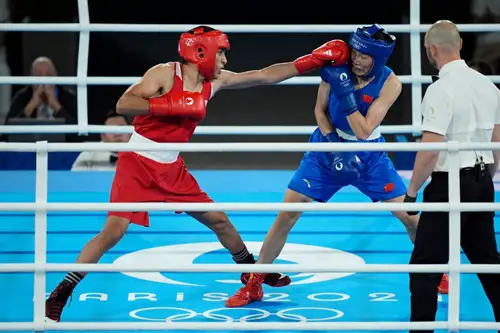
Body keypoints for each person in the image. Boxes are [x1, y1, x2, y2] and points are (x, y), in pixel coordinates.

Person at [44, 25, 350, 322]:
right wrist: (170, 104)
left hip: (172, 167)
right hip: (137, 162)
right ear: (202, 52)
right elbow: (125, 103)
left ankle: (249, 270)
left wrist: (311, 61)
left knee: (219, 220)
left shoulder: (214, 81)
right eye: (221, 55)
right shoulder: (164, 73)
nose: (225, 61)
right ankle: (61, 292)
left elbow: (263, 75)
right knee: (113, 232)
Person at [225, 23, 420, 308]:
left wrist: (345, 93)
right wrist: (333, 147)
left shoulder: (391, 83)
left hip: (369, 155)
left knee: (410, 217)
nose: (356, 60)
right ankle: (255, 281)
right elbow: (319, 110)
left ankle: (436, 271)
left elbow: (364, 130)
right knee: (287, 214)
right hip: (327, 149)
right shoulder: (338, 65)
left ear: (378, 59)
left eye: (364, 56)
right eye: (354, 52)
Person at [403, 20, 500, 332]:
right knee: (488, 264)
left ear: (432, 50)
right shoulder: (488, 86)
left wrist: (412, 192)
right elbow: (497, 144)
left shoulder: (439, 90)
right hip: (483, 182)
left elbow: (430, 151)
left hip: (449, 185)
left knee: (425, 269)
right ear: (459, 45)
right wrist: (486, 178)